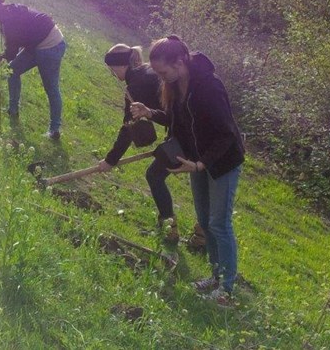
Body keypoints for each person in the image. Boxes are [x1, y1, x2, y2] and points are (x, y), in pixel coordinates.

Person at [130, 35, 245, 305]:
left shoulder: (209, 86)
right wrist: (150, 113)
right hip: (196, 160)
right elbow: (177, 120)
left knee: (219, 223)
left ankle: (226, 288)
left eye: (163, 71)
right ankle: (215, 277)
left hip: (223, 161)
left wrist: (202, 163)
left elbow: (227, 134)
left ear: (180, 62)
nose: (161, 76)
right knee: (205, 222)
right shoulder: (176, 86)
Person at [96, 44, 181, 245]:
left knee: (155, 174)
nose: (113, 73)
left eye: (113, 69)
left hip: (186, 131)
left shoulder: (136, 85)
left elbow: (128, 127)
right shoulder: (144, 71)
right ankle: (199, 235)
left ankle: (170, 228)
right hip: (182, 126)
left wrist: (110, 160)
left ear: (120, 66)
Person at [0, 0, 66, 139]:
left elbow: (10, 54)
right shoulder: (5, 13)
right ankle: (13, 110)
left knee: (51, 88)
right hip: (35, 44)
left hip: (51, 46)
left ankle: (54, 130)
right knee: (12, 70)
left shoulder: (10, 21)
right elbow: (13, 49)